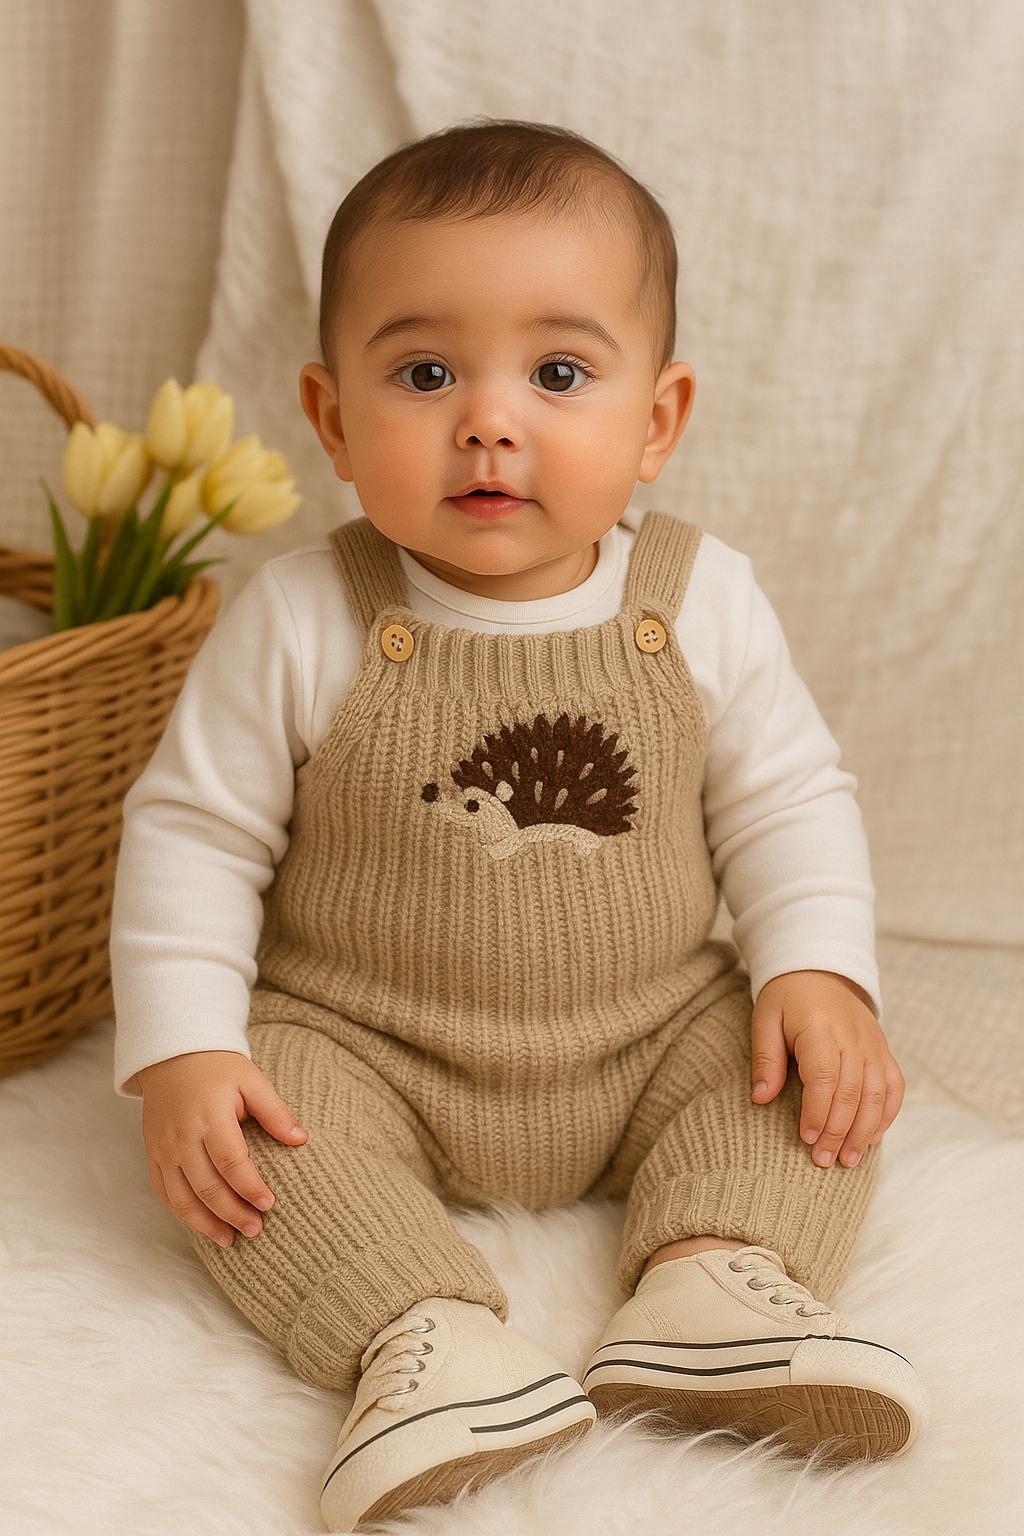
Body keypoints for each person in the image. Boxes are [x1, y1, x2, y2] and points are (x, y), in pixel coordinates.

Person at [111, 121, 926, 1533]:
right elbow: (194, 836)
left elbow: (790, 798)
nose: (490, 420)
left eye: (559, 373)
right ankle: (420, 1334)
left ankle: (714, 1278)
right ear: (330, 416)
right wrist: (183, 1047)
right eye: (424, 373)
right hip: (367, 1043)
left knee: (814, 1084)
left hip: (649, 1028)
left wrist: (817, 970)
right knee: (250, 1154)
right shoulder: (305, 616)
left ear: (657, 419)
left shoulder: (704, 596)